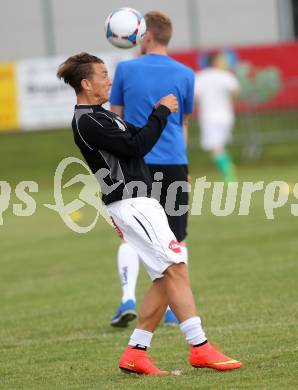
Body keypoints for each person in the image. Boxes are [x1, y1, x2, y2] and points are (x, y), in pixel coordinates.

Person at [57, 52, 242, 375]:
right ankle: (199, 347)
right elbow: (137, 146)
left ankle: (136, 353)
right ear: (86, 83)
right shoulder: (87, 121)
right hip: (131, 203)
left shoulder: (101, 116)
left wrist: (158, 117)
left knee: (163, 278)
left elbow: (138, 139)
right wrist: (161, 111)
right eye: (103, 75)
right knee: (176, 268)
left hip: (140, 202)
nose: (109, 80)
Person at [109, 11, 194, 326]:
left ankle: (127, 299)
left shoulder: (125, 70)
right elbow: (183, 124)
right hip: (173, 162)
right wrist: (184, 166)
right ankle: (173, 307)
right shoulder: (186, 73)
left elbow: (115, 119)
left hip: (135, 163)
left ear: (144, 36)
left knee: (131, 236)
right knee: (176, 237)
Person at [195, 51, 240, 182]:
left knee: (216, 148)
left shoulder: (200, 77)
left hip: (209, 117)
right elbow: (236, 92)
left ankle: (229, 172)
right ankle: (228, 169)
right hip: (226, 116)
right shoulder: (226, 75)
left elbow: (195, 97)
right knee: (220, 146)